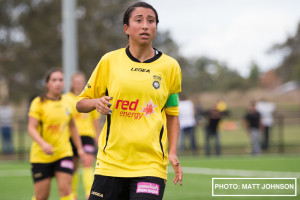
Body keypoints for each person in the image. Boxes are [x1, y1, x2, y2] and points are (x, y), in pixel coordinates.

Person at [76, 2, 183, 200]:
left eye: (151, 21)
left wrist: (173, 152)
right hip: (110, 164)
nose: (145, 26)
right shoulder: (109, 61)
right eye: (139, 20)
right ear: (126, 28)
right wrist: (95, 102)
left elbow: (173, 115)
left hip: (151, 165)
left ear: (156, 28)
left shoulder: (170, 67)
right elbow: (80, 103)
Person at [27, 68, 86, 200]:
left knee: (66, 191)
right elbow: (31, 128)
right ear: (47, 83)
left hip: (63, 153)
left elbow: (73, 127)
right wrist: (43, 144)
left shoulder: (67, 102)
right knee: (41, 196)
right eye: (54, 80)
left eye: (60, 80)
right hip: (41, 156)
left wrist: (80, 148)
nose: (58, 83)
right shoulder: (38, 103)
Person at [64, 72, 101, 200]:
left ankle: (88, 194)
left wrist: (97, 136)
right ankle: (72, 195)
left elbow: (95, 120)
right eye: (76, 81)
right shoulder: (66, 98)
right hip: (71, 137)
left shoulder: (89, 98)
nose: (78, 83)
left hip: (87, 135)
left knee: (87, 162)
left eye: (81, 81)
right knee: (73, 166)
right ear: (72, 83)